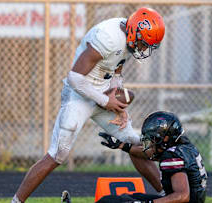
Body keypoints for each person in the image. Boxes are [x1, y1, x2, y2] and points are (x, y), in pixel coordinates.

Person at [11, 7, 165, 203]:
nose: (144, 49)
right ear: (135, 32)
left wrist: (119, 106)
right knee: (58, 155)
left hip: (103, 94)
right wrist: (105, 101)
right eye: (144, 43)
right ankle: (16, 201)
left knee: (133, 142)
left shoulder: (128, 38)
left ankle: (166, 195)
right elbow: (75, 78)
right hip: (78, 95)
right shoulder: (108, 37)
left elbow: (116, 71)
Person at [97, 111, 208, 203]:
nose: (150, 142)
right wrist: (122, 146)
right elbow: (148, 154)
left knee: (109, 201)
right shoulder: (185, 147)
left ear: (165, 138)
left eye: (153, 138)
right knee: (129, 197)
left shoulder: (172, 156)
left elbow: (183, 196)